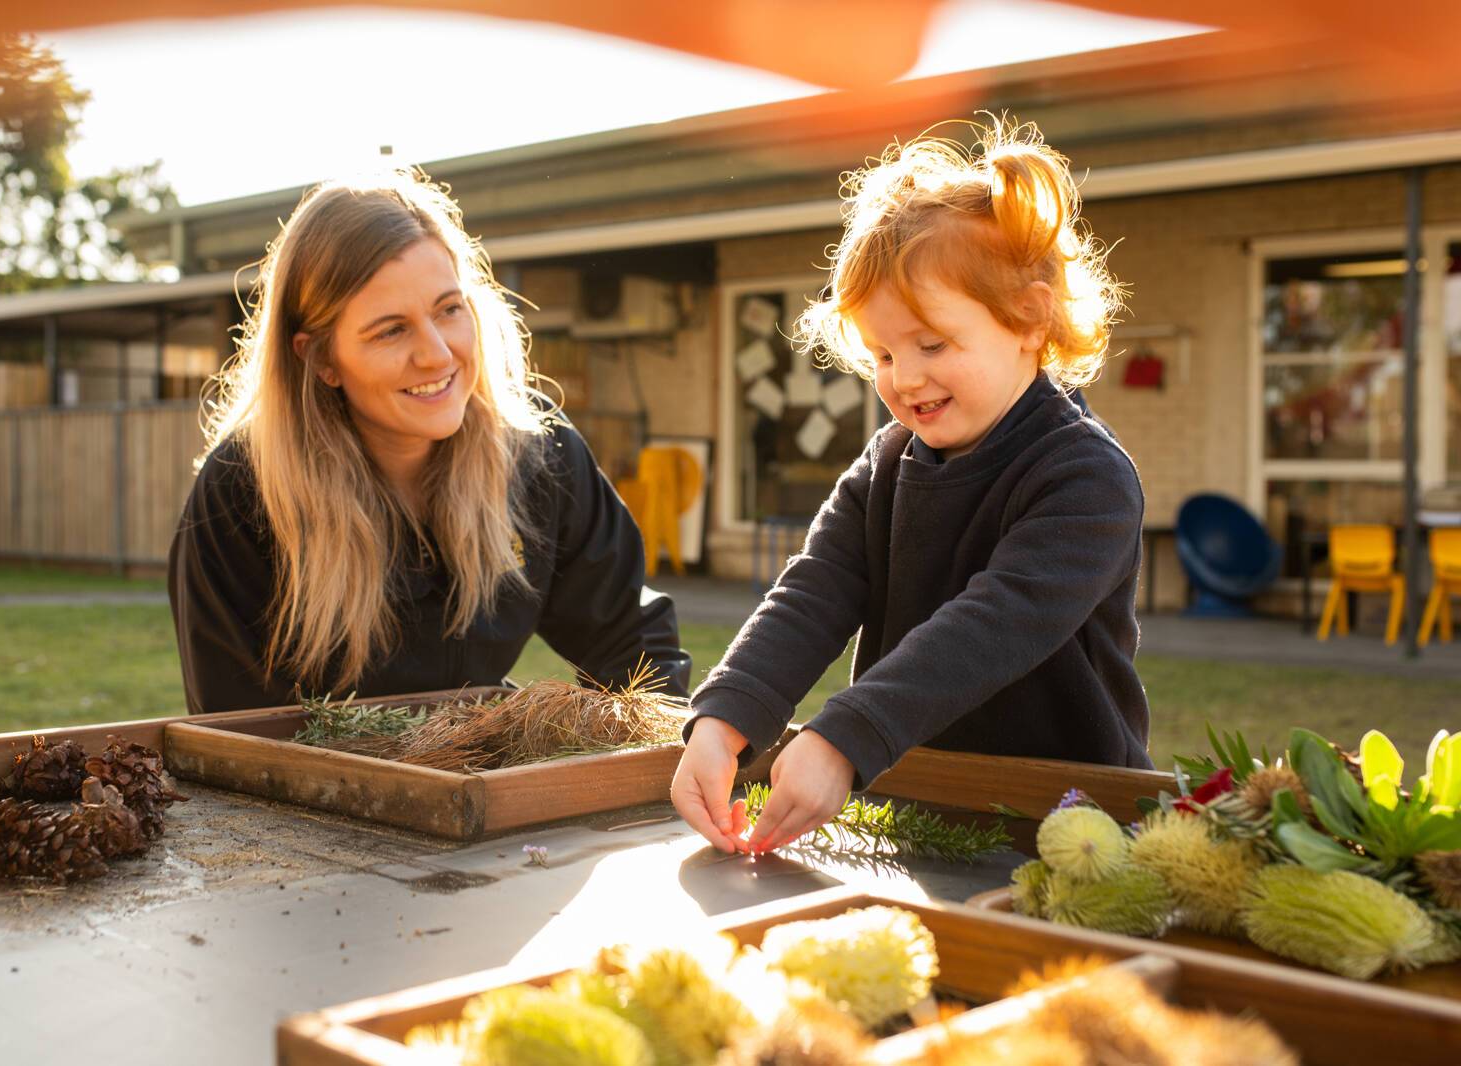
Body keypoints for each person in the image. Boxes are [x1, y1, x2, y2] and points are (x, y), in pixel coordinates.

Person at [672, 118, 1149, 855]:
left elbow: (994, 626)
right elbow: (814, 590)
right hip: (916, 800)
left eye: (932, 344)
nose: (905, 378)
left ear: (1029, 320)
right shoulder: (888, 460)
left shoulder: (1087, 478)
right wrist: (725, 719)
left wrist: (845, 738)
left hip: (1066, 821)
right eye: (883, 353)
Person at [168, 171, 687, 714]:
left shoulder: (540, 455)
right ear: (321, 359)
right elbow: (237, 730)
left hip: (479, 780)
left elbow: (632, 646)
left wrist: (660, 755)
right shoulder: (243, 493)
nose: (438, 354)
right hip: (313, 793)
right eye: (391, 330)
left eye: (449, 309)